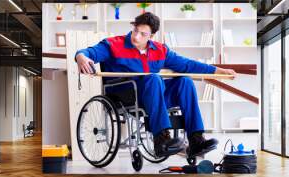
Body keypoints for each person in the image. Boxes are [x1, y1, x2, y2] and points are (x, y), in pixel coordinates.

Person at [75, 12, 237, 158]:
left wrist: (217, 71)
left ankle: (195, 140)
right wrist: (81, 56)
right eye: (135, 30)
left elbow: (187, 64)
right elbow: (89, 53)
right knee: (153, 78)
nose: (136, 36)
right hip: (124, 94)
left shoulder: (160, 50)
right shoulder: (113, 44)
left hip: (153, 94)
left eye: (143, 34)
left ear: (151, 36)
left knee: (185, 81)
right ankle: (161, 140)